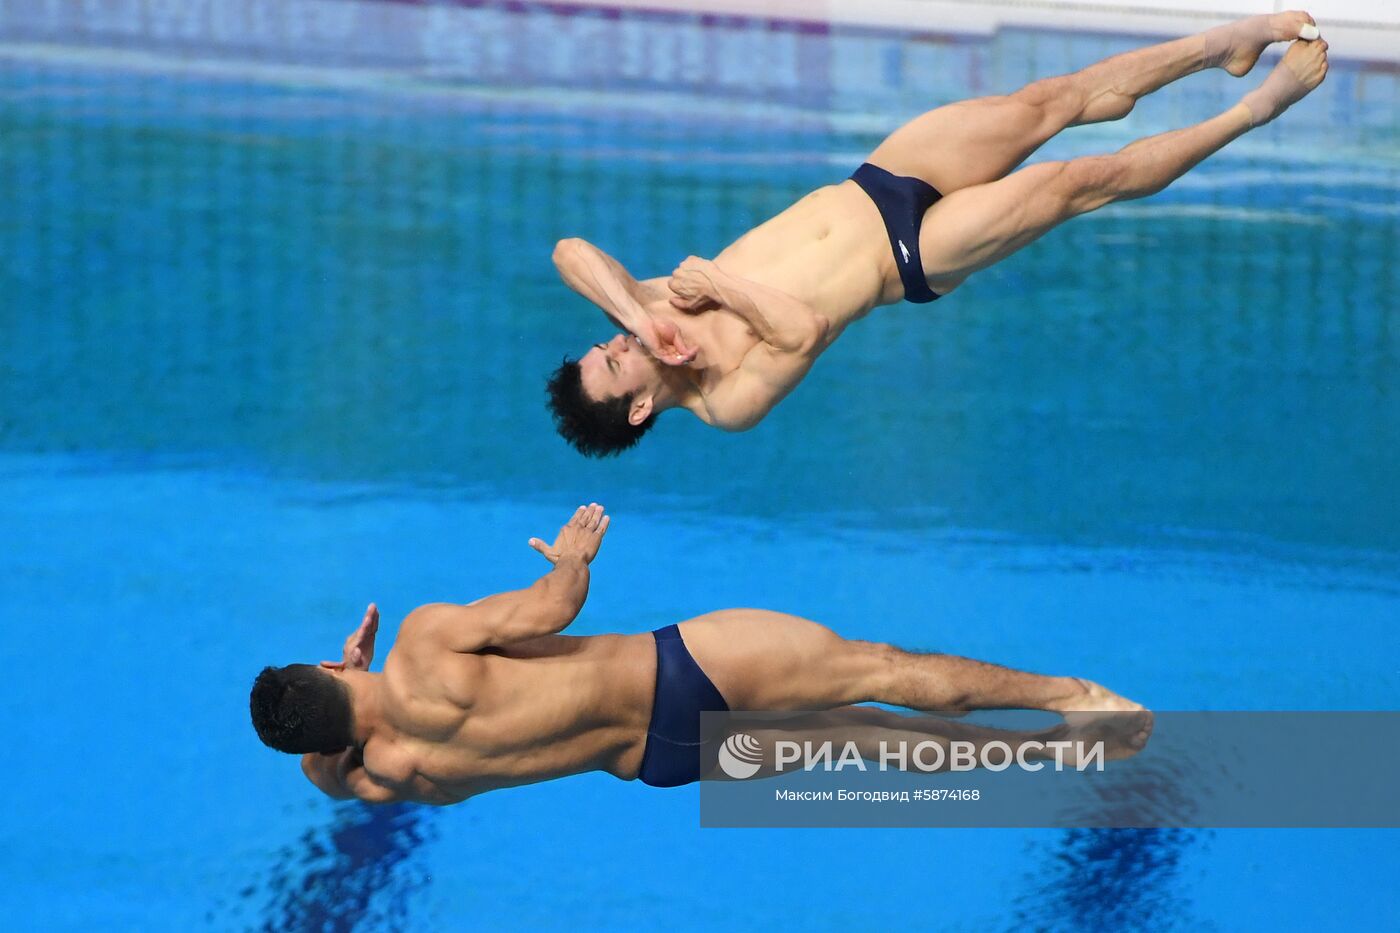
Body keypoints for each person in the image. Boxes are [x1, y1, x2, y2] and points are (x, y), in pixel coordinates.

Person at [545, 13, 1327, 455]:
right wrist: (716, 285)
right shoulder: (725, 401)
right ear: (639, 408)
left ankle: (1219, 48)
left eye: (607, 343)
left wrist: (639, 311)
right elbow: (805, 330)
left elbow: (568, 253)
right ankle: (1257, 109)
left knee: (1047, 101)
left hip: (879, 178)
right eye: (616, 361)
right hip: (913, 255)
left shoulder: (645, 314)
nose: (618, 344)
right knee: (1076, 184)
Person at [250, 505, 1148, 804]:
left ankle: (1049, 750)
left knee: (866, 735)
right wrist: (571, 556)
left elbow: (329, 780)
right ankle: (1072, 695)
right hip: (681, 672)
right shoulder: (422, 643)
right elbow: (558, 603)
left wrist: (340, 704)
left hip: (660, 761)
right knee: (876, 668)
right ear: (330, 671)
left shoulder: (392, 771)